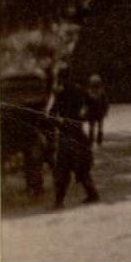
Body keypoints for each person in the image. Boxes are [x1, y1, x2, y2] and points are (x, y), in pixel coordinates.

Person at [47, 67, 100, 208]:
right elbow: (94, 106)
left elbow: (51, 115)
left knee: (65, 168)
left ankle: (60, 201)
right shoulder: (78, 91)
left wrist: (59, 124)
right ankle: (91, 195)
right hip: (76, 133)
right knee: (80, 167)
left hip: (68, 135)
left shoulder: (61, 93)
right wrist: (83, 118)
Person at [84, 74, 109, 146]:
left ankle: (93, 140)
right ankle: (96, 140)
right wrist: (105, 110)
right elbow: (105, 103)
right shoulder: (99, 93)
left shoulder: (93, 93)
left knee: (94, 127)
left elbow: (105, 103)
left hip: (95, 112)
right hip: (96, 112)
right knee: (97, 127)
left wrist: (105, 110)